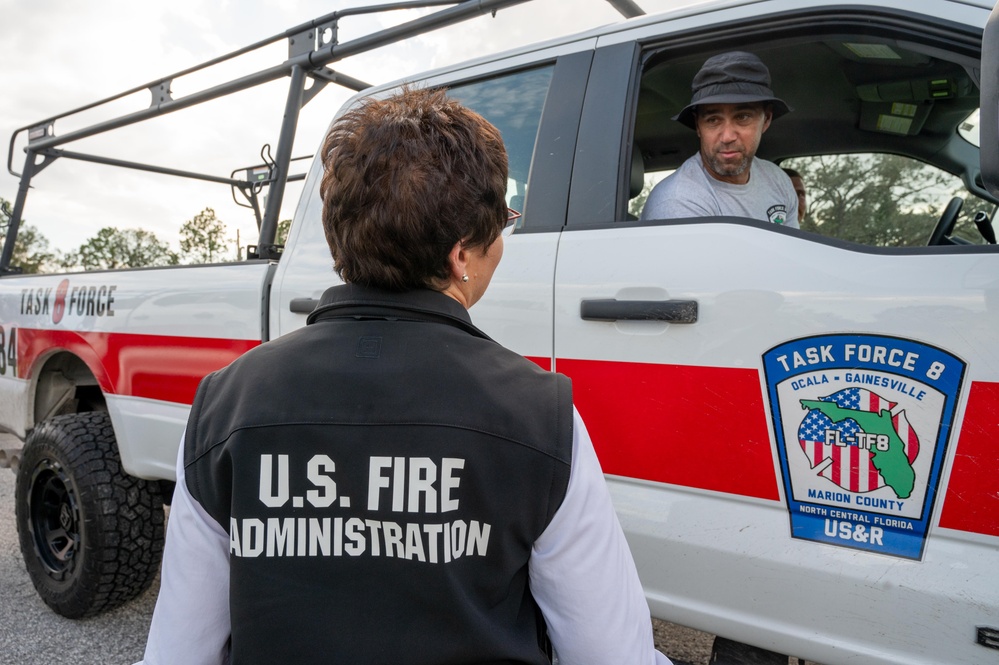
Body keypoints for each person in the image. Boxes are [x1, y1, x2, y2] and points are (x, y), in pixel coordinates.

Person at [138, 87, 670, 665]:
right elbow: (611, 654)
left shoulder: (224, 403)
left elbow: (179, 652)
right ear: (460, 255)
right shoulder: (542, 415)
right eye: (503, 226)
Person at [641, 51, 799, 228]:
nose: (727, 137)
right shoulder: (678, 202)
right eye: (713, 120)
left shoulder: (777, 180)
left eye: (743, 117)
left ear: (766, 119)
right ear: (698, 126)